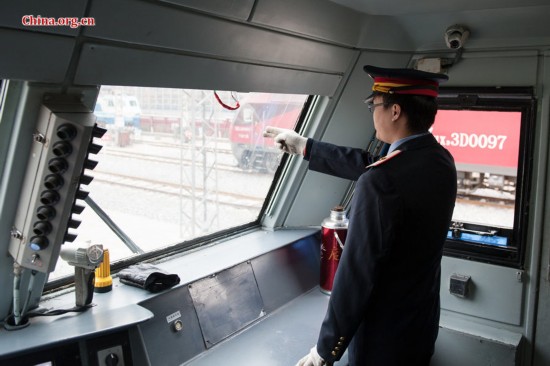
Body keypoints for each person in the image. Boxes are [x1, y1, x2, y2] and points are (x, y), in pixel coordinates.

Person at [263, 65, 457, 366]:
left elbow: (357, 273)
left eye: (374, 105)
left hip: (382, 341)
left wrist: (326, 349)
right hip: (419, 325)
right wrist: (304, 146)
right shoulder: (440, 161)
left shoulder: (382, 181)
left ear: (394, 111)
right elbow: (376, 164)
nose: (372, 112)